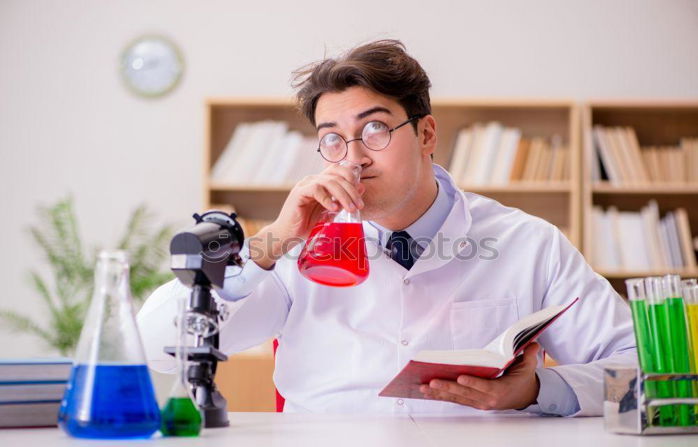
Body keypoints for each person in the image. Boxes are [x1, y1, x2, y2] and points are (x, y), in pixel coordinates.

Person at [137, 39, 636, 417]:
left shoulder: (528, 243)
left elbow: (644, 374)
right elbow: (160, 347)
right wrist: (269, 245)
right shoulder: (296, 248)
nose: (353, 157)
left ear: (426, 133)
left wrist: (536, 390)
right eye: (333, 139)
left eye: (374, 129)